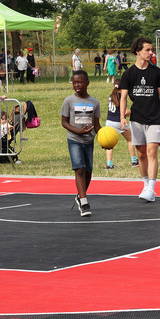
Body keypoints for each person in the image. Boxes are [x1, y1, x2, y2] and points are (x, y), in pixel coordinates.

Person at [119, 37, 160, 202]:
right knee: (141, 155)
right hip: (137, 118)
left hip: (155, 117)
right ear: (138, 51)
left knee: (152, 152)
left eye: (151, 49)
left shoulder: (156, 71)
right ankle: (146, 185)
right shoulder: (129, 74)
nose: (150, 52)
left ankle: (152, 188)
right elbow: (123, 98)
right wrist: (121, 117)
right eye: (147, 50)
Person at [61, 70, 101, 217]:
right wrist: (77, 132)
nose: (76, 84)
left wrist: (103, 138)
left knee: (88, 171)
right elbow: (64, 122)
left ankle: (80, 195)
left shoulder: (94, 102)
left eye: (80, 82)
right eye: (74, 82)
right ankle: (84, 202)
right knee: (80, 169)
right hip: (74, 139)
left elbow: (96, 125)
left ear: (87, 83)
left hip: (88, 140)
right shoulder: (69, 101)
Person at [103, 83, 136, 169]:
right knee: (130, 139)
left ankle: (109, 164)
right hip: (118, 122)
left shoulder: (111, 95)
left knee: (109, 143)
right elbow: (126, 112)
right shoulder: (121, 96)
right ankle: (134, 161)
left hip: (109, 121)